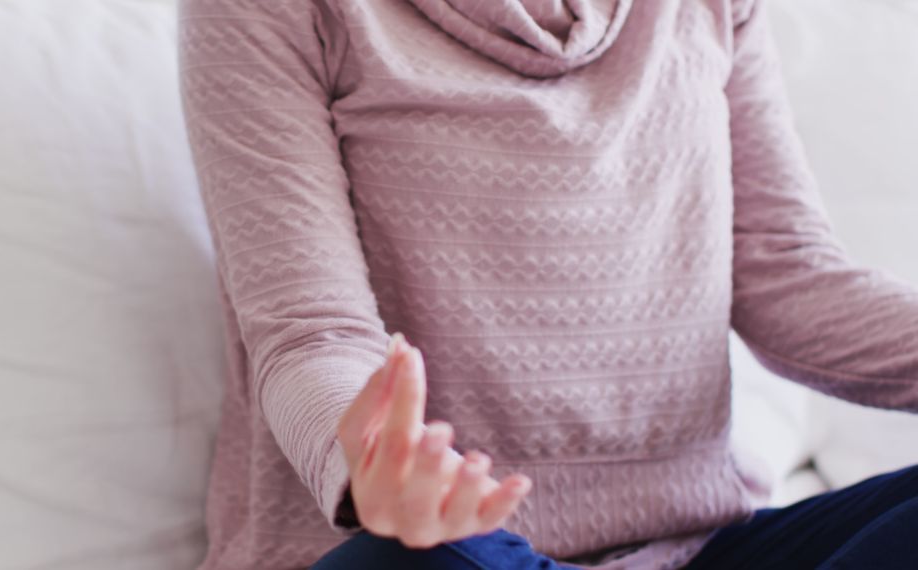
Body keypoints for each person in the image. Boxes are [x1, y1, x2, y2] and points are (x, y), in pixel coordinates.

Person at [179, 0, 918, 568]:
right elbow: (312, 329)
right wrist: (372, 463)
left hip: (700, 548)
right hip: (449, 549)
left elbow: (787, 273)